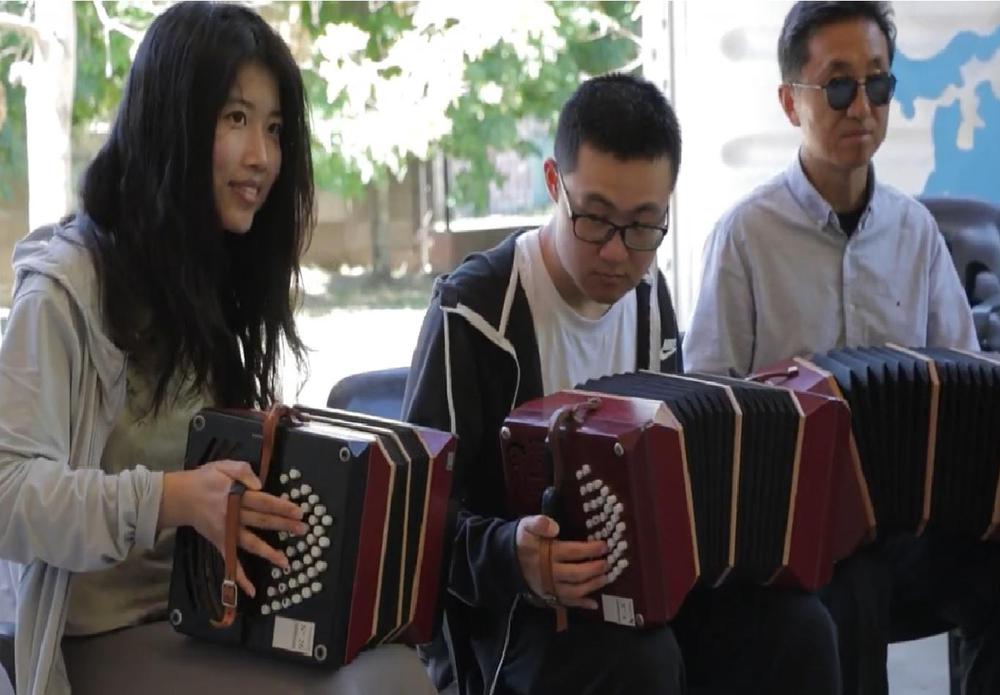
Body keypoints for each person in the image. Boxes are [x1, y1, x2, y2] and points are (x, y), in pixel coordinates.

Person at [0, 4, 433, 694]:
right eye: (235, 119)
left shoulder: (212, 277)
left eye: (274, 128)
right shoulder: (65, 289)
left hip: (212, 615)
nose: (261, 156)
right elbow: (9, 493)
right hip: (99, 640)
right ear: (170, 122)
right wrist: (172, 497)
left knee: (399, 664)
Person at [403, 72, 841, 695]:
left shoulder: (651, 298)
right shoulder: (474, 313)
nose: (617, 253)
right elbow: (418, 526)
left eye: (644, 226)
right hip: (514, 623)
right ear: (555, 183)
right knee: (641, 661)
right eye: (595, 219)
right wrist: (513, 555)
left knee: (799, 630)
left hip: (643, 604)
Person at [683, 3, 1000, 694]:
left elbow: (969, 379)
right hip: (801, 530)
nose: (863, 106)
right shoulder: (743, 238)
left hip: (914, 518)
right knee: (850, 585)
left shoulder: (915, 231)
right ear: (790, 102)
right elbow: (708, 406)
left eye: (879, 84)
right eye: (838, 86)